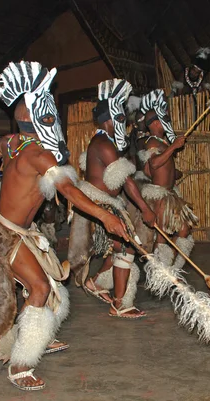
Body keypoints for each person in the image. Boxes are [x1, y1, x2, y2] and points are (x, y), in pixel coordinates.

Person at [0, 61, 128, 391]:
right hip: (4, 235)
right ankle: (20, 364)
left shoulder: (12, 143)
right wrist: (105, 216)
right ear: (38, 119)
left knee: (52, 290)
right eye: (51, 119)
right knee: (40, 289)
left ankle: (39, 337)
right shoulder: (36, 155)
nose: (56, 123)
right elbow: (70, 191)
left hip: (18, 232)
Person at [68, 78, 156, 319]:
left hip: (106, 202)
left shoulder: (105, 142)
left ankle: (96, 283)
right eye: (119, 120)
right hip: (98, 204)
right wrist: (145, 208)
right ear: (107, 119)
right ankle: (119, 303)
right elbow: (126, 181)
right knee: (126, 248)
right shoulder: (104, 144)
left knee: (119, 245)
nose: (124, 124)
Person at [136, 89, 198, 268]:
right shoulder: (153, 142)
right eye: (165, 119)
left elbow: (149, 170)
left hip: (170, 194)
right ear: (155, 123)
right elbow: (155, 164)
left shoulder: (161, 143)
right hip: (160, 195)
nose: (168, 123)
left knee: (184, 229)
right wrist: (174, 147)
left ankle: (172, 267)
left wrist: (173, 173)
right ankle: (160, 272)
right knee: (162, 234)